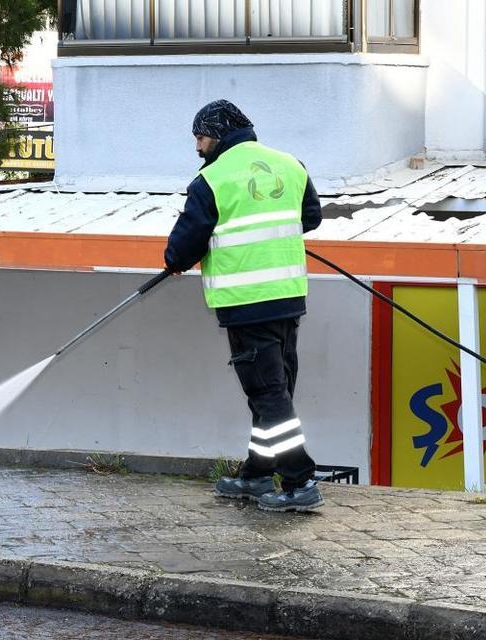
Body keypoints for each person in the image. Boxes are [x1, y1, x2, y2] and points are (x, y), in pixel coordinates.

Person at [163, 99, 323, 512]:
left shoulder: (211, 181)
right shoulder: (291, 164)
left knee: (269, 395)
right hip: (287, 298)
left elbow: (183, 247)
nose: (197, 147)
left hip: (246, 303)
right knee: (272, 391)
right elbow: (311, 217)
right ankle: (256, 473)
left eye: (199, 137)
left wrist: (176, 261)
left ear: (217, 134)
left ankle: (298, 481)